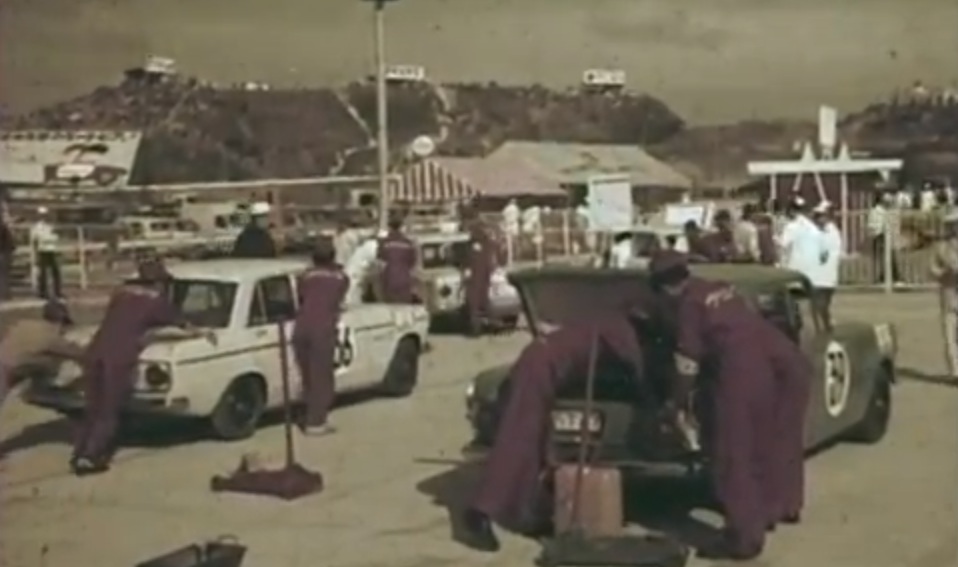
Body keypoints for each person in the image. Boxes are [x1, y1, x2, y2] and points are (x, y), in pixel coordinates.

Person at [649, 250, 807, 560]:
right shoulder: (719, 287)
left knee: (734, 456)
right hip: (780, 362)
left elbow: (687, 364)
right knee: (772, 442)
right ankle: (778, 506)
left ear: (664, 287)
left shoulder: (689, 307)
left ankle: (744, 538)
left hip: (741, 371)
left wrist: (675, 403)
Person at [462, 315, 647, 553]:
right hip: (538, 372)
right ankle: (481, 512)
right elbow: (636, 367)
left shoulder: (601, 324)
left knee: (539, 445)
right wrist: (655, 400)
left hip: (542, 365)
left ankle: (526, 513)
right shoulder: (623, 332)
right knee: (519, 440)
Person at [71, 260, 196, 475]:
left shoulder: (120, 296)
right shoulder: (155, 302)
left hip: (95, 352)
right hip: (118, 358)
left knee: (92, 408)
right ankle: (91, 457)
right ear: (158, 282)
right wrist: (199, 331)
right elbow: (180, 322)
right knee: (108, 410)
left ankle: (79, 453)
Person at [292, 237, 349, 436]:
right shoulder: (340, 277)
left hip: (301, 327)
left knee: (307, 375)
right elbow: (338, 300)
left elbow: (302, 297)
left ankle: (308, 413)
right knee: (321, 376)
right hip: (322, 329)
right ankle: (316, 422)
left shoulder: (304, 276)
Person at [0, 300, 84, 411]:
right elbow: (81, 354)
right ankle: (40, 393)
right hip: (10, 369)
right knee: (54, 362)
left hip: (5, 362)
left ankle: (36, 391)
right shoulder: (52, 338)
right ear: (62, 322)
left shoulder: (24, 324)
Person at [929, 210, 958, 379]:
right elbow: (932, 269)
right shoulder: (941, 247)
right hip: (948, 295)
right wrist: (943, 272)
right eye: (953, 224)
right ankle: (955, 371)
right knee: (949, 335)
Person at [809, 202, 843, 332]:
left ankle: (826, 326)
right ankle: (821, 328)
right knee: (816, 304)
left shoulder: (831, 232)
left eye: (821, 216)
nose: (818, 219)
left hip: (826, 274)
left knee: (822, 304)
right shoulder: (817, 231)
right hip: (817, 274)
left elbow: (827, 252)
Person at [463, 217, 497, 336]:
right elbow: (491, 260)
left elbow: (469, 259)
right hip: (484, 276)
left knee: (475, 303)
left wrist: (466, 269)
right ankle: (489, 325)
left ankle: (476, 329)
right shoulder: (488, 243)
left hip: (476, 277)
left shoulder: (473, 244)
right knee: (484, 301)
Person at [779, 197, 825, 281]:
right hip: (811, 268)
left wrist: (775, 239)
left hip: (795, 268)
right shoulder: (812, 227)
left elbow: (783, 245)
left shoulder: (791, 227)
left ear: (791, 211)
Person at [377, 213, 417, 303]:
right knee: (404, 309)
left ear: (389, 227)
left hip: (389, 281)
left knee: (389, 309)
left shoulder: (384, 243)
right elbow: (412, 267)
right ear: (402, 227)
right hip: (404, 282)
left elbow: (380, 265)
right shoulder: (409, 244)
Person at [866, 192, 902, 285]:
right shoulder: (877, 211)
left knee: (887, 257)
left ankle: (887, 277)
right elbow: (874, 225)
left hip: (885, 235)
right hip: (880, 236)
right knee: (886, 258)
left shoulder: (883, 211)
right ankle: (891, 278)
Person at [30, 206, 62, 299]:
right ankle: (43, 292)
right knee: (43, 273)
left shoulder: (50, 226)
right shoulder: (37, 227)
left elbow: (56, 238)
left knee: (55, 272)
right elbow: (37, 239)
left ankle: (57, 291)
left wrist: (51, 238)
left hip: (52, 250)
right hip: (43, 250)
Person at [343, 233, 380, 305]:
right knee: (352, 299)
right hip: (355, 275)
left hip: (354, 273)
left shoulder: (365, 246)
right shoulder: (373, 245)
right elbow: (376, 262)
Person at [0, 206, 15, 302]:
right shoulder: (3, 227)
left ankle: (5, 293)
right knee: (3, 274)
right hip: (3, 251)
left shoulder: (5, 226)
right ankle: (4, 294)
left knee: (4, 274)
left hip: (5, 251)